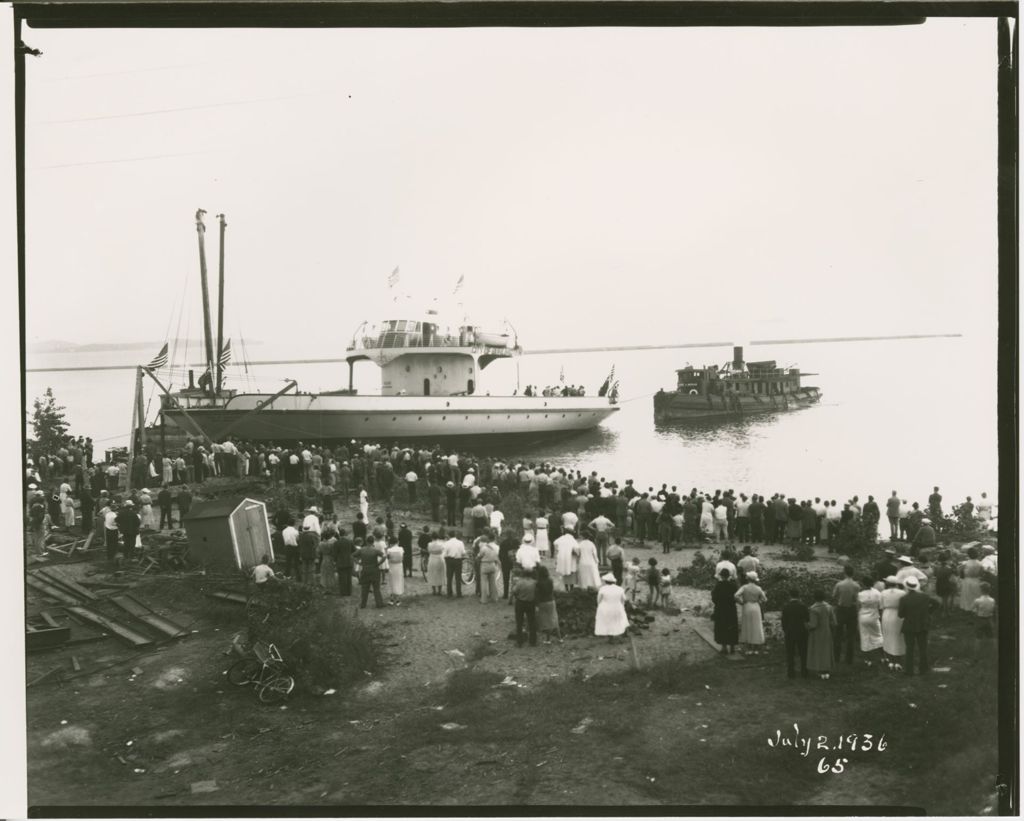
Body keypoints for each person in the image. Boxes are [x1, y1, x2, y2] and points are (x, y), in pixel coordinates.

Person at [897, 576, 934, 675]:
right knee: (923, 647)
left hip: (909, 625)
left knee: (909, 648)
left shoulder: (904, 599)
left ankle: (909, 670)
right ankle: (924, 669)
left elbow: (900, 615)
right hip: (922, 624)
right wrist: (928, 612)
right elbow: (937, 604)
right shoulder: (925, 596)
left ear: (907, 587)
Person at [831, 565, 860, 665]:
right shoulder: (856, 585)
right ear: (853, 573)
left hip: (841, 609)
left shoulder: (839, 584)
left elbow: (834, 595)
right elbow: (857, 600)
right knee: (850, 635)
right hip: (851, 610)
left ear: (845, 573)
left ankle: (836, 657)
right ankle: (849, 659)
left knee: (838, 634)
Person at [735, 571, 767, 655]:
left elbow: (736, 595)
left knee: (747, 625)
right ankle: (755, 647)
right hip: (756, 606)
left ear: (748, 579)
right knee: (756, 625)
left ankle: (749, 647)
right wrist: (759, 601)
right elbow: (765, 599)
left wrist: (741, 602)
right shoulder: (758, 588)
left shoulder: (744, 587)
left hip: (747, 605)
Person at [807, 590, 836, 680]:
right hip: (827, 631)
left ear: (814, 597)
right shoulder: (829, 607)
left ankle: (820, 670)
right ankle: (826, 671)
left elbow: (813, 624)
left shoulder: (813, 609)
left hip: (817, 633)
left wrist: (805, 624)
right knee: (826, 650)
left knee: (819, 651)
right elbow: (834, 622)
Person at [781, 589, 810, 678]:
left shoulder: (786, 606)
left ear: (790, 596)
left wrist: (786, 630)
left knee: (790, 653)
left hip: (790, 631)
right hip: (801, 631)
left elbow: (783, 621)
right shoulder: (803, 606)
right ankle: (804, 671)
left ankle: (791, 672)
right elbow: (808, 618)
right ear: (799, 596)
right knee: (803, 652)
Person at [879, 576, 906, 670]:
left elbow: (881, 606)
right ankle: (898, 661)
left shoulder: (883, 593)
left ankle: (890, 660)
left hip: (887, 614)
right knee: (898, 636)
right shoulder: (902, 593)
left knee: (887, 636)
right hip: (898, 615)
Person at [857, 576, 884, 666]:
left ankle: (868, 659)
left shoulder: (860, 594)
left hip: (863, 616)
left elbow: (858, 606)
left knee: (865, 637)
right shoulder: (877, 593)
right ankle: (883, 657)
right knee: (878, 635)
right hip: (874, 616)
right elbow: (880, 607)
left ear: (863, 584)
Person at [711, 568, 740, 655]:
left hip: (721, 608)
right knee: (731, 626)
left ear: (721, 576)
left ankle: (724, 647)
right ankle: (732, 647)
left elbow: (714, 597)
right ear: (729, 576)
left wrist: (718, 603)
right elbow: (736, 597)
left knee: (722, 626)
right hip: (731, 608)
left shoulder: (718, 586)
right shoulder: (733, 585)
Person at [595, 573, 629, 643]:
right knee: (619, 620)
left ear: (605, 581)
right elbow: (624, 599)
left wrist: (600, 607)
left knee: (609, 622)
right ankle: (621, 634)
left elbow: (598, 600)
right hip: (617, 607)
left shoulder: (602, 589)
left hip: (606, 607)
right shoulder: (620, 589)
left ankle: (611, 638)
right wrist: (622, 606)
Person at [512, 568, 539, 647]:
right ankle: (533, 641)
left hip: (520, 603)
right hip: (531, 603)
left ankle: (519, 641)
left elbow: (514, 591)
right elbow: (537, 593)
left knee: (519, 622)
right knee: (532, 622)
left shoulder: (519, 582)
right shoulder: (534, 583)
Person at [356, 536, 386, 608]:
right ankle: (379, 604)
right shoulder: (375, 550)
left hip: (365, 570)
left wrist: (358, 563)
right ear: (373, 542)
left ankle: (363, 604)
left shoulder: (362, 550)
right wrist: (379, 563)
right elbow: (384, 556)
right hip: (374, 570)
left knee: (364, 588)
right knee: (376, 588)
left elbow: (352, 555)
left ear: (366, 541)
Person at [535, 565, 562, 643]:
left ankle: (548, 639)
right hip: (551, 601)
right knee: (554, 619)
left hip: (543, 602)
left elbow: (537, 594)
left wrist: (536, 604)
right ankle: (560, 638)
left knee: (546, 621)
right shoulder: (550, 580)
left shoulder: (538, 583)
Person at [970, 582, 996, 658]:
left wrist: (976, 613)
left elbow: (972, 610)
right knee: (991, 637)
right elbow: (993, 610)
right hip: (989, 619)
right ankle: (995, 653)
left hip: (980, 619)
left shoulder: (977, 600)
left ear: (981, 590)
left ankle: (976, 655)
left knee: (978, 638)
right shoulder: (992, 600)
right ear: (989, 590)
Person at [958, 547, 984, 612]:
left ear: (968, 554)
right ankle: (976, 608)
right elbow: (981, 573)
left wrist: (963, 575)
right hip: (976, 580)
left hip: (967, 580)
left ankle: (968, 607)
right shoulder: (980, 563)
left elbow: (960, 572)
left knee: (968, 595)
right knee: (976, 594)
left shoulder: (965, 563)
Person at [443, 529, 467, 598]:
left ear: (449, 536)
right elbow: (463, 553)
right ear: (455, 535)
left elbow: (444, 554)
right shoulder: (460, 543)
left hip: (449, 560)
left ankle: (449, 593)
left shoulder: (446, 543)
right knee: (458, 578)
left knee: (449, 577)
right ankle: (459, 593)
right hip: (458, 560)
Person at [478, 534, 500, 603]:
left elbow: (479, 555)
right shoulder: (495, 548)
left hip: (485, 564)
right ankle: (494, 598)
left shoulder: (484, 548)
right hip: (493, 564)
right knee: (493, 582)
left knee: (483, 582)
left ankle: (484, 599)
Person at [335, 527, 354, 597]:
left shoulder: (337, 543)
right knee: (349, 577)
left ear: (339, 534)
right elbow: (354, 550)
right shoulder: (350, 541)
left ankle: (343, 592)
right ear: (345, 534)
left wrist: (335, 561)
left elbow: (335, 554)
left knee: (342, 578)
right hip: (349, 561)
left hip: (340, 562)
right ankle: (349, 592)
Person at [319, 526, 339, 592]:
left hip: (324, 558)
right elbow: (334, 552)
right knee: (331, 572)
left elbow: (319, 552)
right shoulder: (331, 544)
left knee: (324, 572)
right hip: (330, 558)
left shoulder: (321, 544)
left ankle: (324, 586)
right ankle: (330, 586)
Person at [498, 530, 517, 600]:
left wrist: (502, 561)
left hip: (505, 563)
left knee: (506, 579)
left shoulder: (503, 543)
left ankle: (505, 594)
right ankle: (515, 593)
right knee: (515, 578)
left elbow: (500, 554)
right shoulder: (516, 542)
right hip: (514, 563)